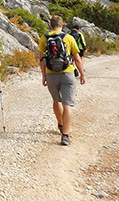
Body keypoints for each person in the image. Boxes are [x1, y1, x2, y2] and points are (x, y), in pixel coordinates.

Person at [39, 16, 86, 146]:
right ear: (62, 25)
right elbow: (77, 58)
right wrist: (82, 74)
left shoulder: (44, 38)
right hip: (68, 73)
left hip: (51, 74)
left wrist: (44, 76)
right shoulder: (69, 38)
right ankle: (65, 135)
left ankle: (60, 124)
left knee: (56, 101)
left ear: (50, 25)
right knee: (67, 104)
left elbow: (41, 60)